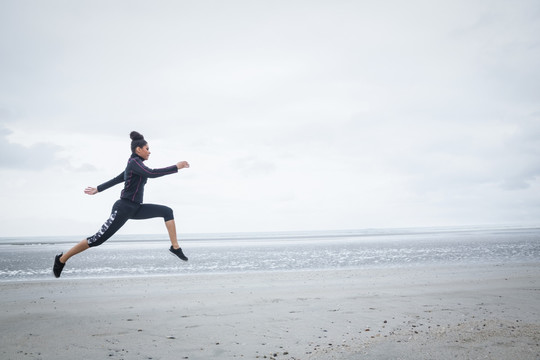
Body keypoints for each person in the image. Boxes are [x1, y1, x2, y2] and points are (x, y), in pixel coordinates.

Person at [53, 131, 190, 278]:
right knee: (96, 240)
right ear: (139, 149)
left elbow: (119, 178)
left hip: (136, 208)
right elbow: (152, 173)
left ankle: (175, 247)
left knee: (167, 211)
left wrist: (98, 188)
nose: (149, 152)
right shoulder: (134, 163)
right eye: (147, 149)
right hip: (123, 208)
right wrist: (176, 167)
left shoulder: (135, 164)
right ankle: (61, 259)